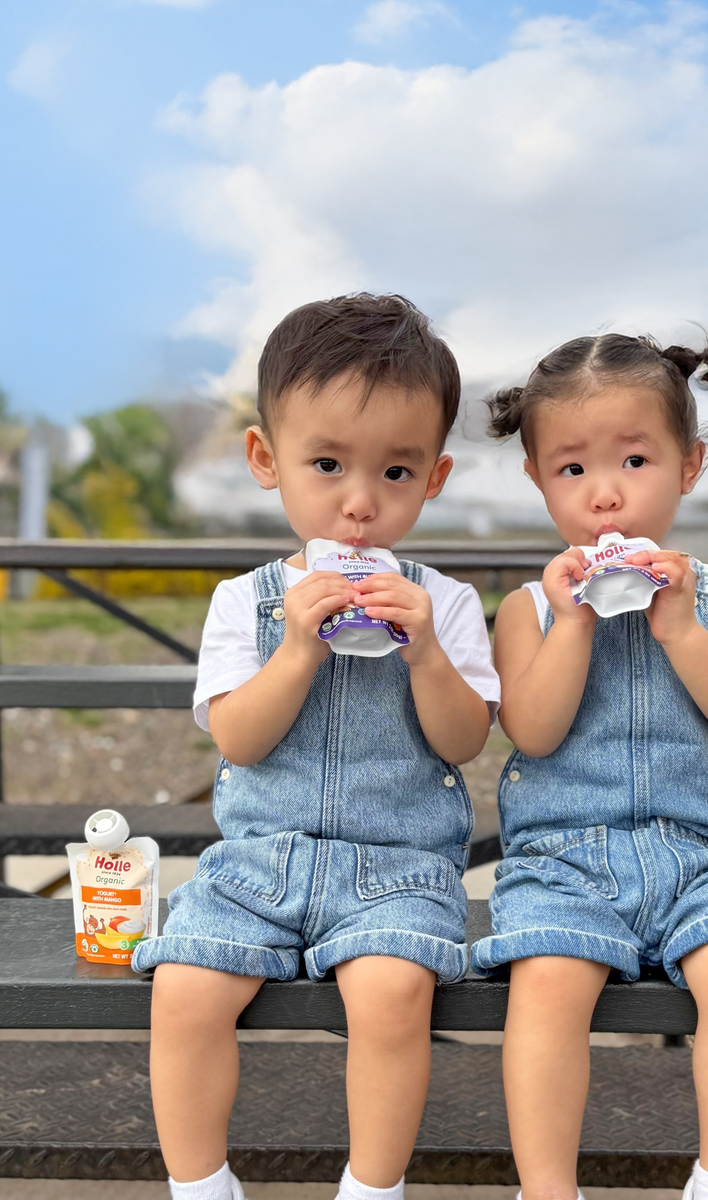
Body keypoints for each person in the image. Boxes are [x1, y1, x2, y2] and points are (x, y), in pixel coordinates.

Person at [132, 294, 500, 1200]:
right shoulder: (244, 603)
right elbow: (238, 740)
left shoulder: (443, 605)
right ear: (267, 459)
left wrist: (427, 657)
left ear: (437, 477)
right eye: (327, 464)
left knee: (391, 995)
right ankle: (201, 1184)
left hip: (399, 868)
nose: (360, 504)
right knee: (183, 988)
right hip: (256, 863)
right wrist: (295, 647)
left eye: (398, 473)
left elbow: (465, 741)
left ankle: (371, 1188)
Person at [471, 334, 708, 1200]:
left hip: (706, 858)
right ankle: (548, 1187)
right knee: (549, 982)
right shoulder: (528, 608)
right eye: (571, 471)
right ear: (536, 480)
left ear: (690, 465)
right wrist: (574, 626)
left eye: (635, 459)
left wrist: (679, 629)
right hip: (562, 862)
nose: (605, 493)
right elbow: (531, 730)